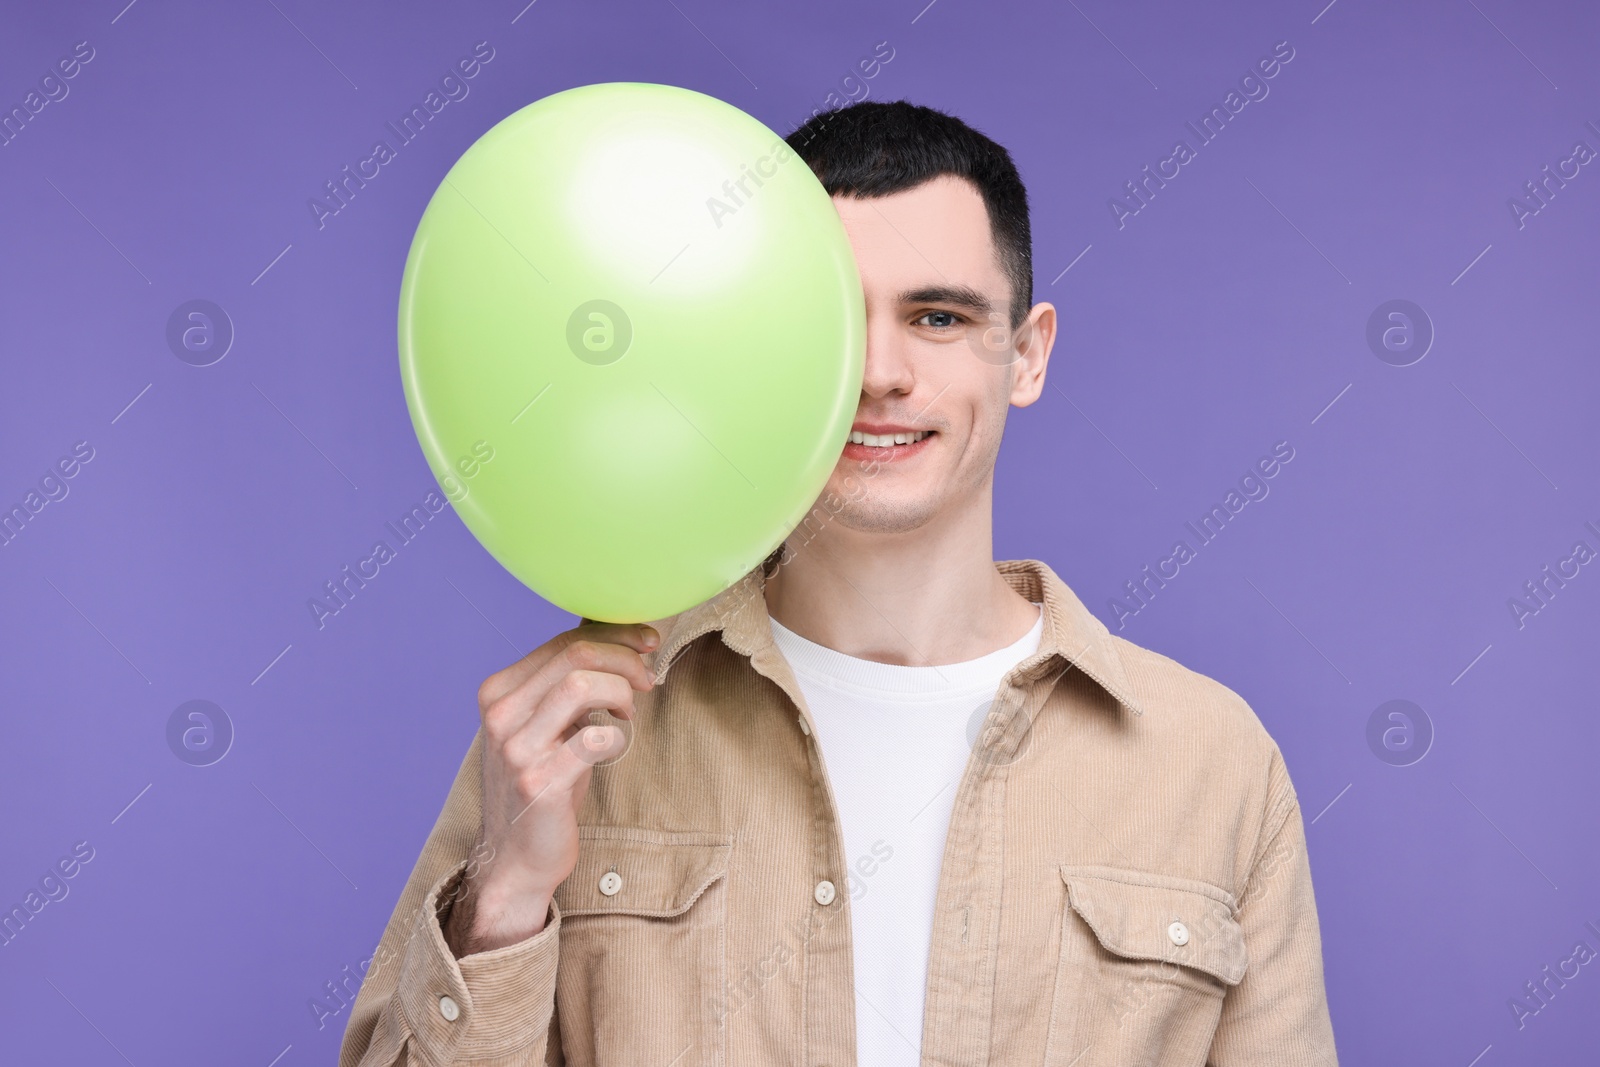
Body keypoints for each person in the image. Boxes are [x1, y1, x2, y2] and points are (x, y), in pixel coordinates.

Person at [340, 100, 1339, 1067]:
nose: (878, 374)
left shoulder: (1214, 763)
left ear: (1026, 353)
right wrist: (502, 895)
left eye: (938, 316)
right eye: (829, 322)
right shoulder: (574, 736)